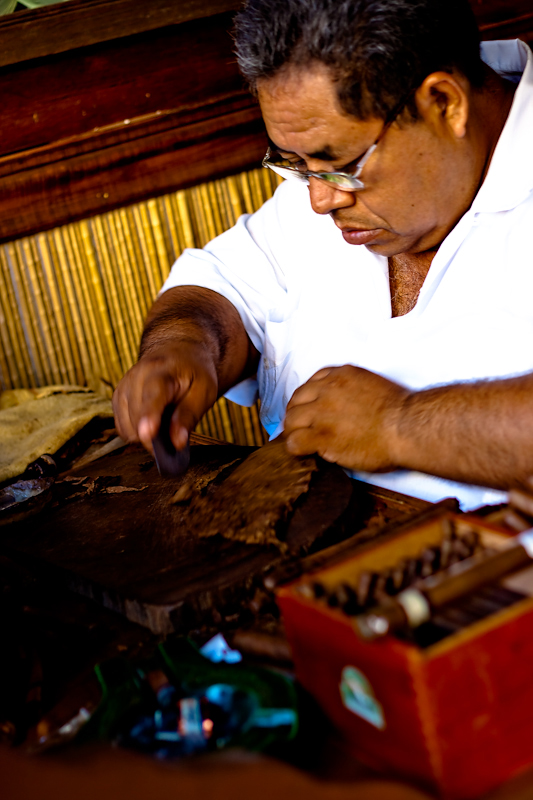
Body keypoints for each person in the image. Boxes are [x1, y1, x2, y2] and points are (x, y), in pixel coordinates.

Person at [112, 0, 533, 509]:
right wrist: (183, 349)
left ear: (445, 103)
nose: (318, 200)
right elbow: (223, 285)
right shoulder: (326, 159)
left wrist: (398, 425)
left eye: (339, 166)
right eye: (294, 164)